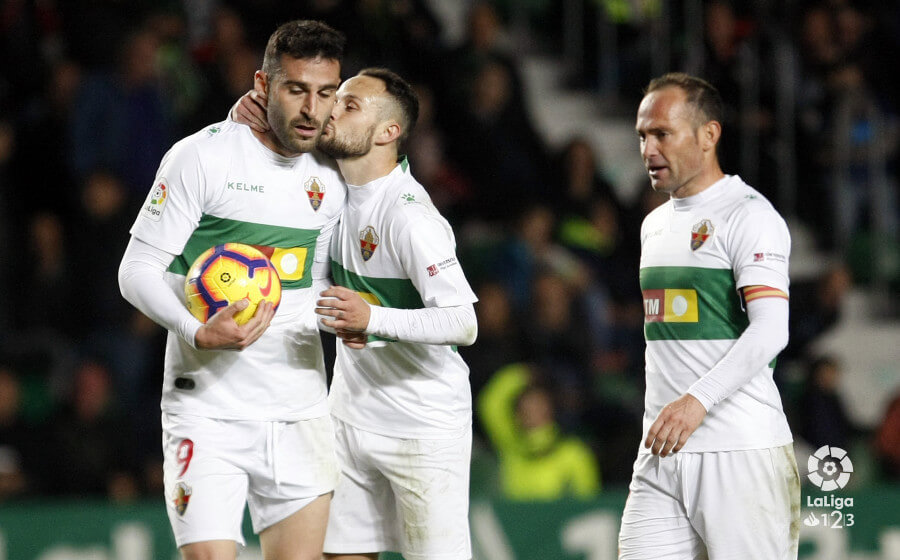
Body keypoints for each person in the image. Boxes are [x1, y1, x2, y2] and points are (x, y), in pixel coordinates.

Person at [118, 20, 347, 560]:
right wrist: (197, 329)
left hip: (301, 412)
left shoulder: (334, 173)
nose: (311, 109)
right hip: (209, 412)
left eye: (325, 92)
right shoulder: (204, 157)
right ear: (262, 85)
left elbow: (315, 280)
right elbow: (136, 269)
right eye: (296, 89)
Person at [619, 72, 800, 559]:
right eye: (642, 135)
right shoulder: (654, 225)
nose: (648, 148)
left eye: (662, 134)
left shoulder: (750, 216)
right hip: (661, 453)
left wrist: (696, 401)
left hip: (737, 451)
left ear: (708, 135)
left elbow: (770, 330)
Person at [313, 68, 478, 560]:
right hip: (349, 413)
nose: (332, 110)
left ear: (389, 133)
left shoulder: (409, 216)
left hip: (421, 425)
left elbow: (462, 322)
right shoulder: (331, 193)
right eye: (336, 100)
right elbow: (326, 288)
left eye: (350, 105)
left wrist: (374, 320)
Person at [477, 362, 600, 501]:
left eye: (539, 403)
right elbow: (491, 404)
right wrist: (521, 375)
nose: (533, 409)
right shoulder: (511, 447)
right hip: (515, 521)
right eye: (526, 404)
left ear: (551, 409)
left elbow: (588, 503)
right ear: (517, 415)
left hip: (557, 521)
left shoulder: (574, 453)